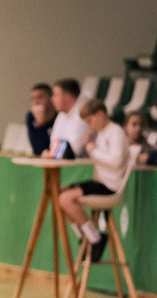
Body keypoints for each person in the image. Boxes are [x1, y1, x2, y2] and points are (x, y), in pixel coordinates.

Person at [56, 99, 130, 263]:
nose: (89, 126)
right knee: (59, 195)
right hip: (101, 182)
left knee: (66, 199)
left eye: (90, 121)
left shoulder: (115, 132)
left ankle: (95, 238)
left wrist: (93, 151)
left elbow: (117, 161)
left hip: (111, 186)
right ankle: (85, 236)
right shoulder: (102, 133)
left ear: (101, 114)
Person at [44, 78, 89, 159]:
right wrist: (51, 152)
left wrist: (52, 153)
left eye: (55, 95)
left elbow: (73, 150)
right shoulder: (62, 113)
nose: (51, 99)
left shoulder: (84, 112)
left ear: (67, 97)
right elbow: (54, 143)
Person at [26, 83, 57, 155]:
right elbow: (38, 150)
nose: (36, 102)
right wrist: (40, 124)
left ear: (51, 98)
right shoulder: (31, 117)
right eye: (33, 98)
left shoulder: (59, 115)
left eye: (40, 97)